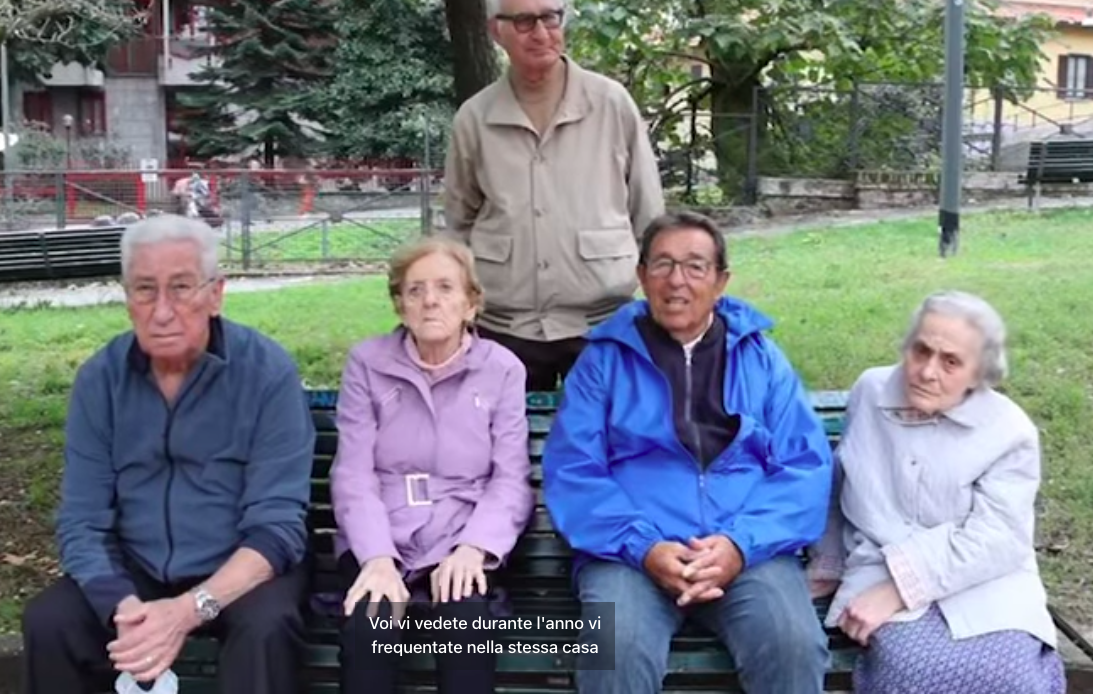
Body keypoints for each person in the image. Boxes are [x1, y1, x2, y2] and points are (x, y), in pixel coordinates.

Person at [20, 214, 316, 694]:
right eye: (144, 290)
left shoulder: (266, 372)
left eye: (181, 288)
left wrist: (186, 611)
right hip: (136, 568)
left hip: (241, 564)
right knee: (50, 622)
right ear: (126, 298)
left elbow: (277, 525)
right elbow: (82, 519)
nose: (161, 311)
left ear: (215, 294)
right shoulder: (101, 379)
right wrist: (124, 607)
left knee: (267, 629)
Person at [542, 210, 833, 694]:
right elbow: (574, 470)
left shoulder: (760, 357)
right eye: (662, 264)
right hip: (631, 555)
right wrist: (645, 547)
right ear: (641, 277)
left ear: (720, 281)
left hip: (745, 552)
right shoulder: (603, 360)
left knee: (792, 642)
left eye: (695, 266)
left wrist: (740, 544)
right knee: (614, 648)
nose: (677, 280)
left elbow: (803, 465)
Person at [807, 291, 1065, 693]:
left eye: (951, 362)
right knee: (912, 670)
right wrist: (828, 562)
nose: (928, 371)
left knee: (1012, 677)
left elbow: (998, 539)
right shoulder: (871, 391)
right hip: (879, 568)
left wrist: (899, 589)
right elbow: (839, 479)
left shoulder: (1009, 431)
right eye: (921, 351)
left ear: (980, 373)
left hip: (987, 583)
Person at [443, 0, 665, 391]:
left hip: (603, 323)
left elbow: (649, 211)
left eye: (550, 17)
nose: (541, 32)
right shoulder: (475, 118)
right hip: (504, 327)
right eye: (524, 21)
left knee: (614, 447)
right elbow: (458, 223)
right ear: (495, 31)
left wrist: (657, 302)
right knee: (509, 452)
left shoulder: (611, 103)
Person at [331, 235, 535, 694]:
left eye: (445, 287)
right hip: (382, 535)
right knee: (370, 628)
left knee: (466, 630)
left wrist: (472, 549)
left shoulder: (502, 369)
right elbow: (353, 474)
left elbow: (510, 480)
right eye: (415, 290)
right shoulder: (367, 363)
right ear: (400, 305)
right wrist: (377, 557)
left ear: (470, 304)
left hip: (461, 536)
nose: (430, 301)